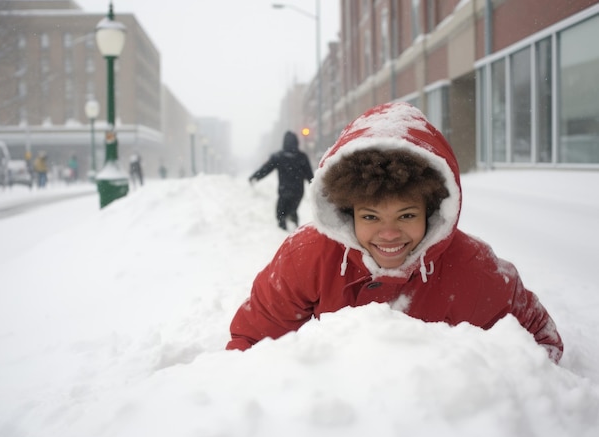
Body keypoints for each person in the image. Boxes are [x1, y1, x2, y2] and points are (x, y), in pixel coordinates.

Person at [226, 102, 563, 363]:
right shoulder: (309, 256)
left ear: (430, 211)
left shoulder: (472, 269)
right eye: (370, 216)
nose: (388, 234)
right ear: (348, 212)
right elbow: (250, 345)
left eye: (406, 214)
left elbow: (541, 345)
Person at [249, 130, 314, 230]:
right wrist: (317, 188)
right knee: (292, 211)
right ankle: (294, 230)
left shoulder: (279, 157)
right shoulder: (302, 157)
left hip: (284, 191)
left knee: (281, 214)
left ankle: (283, 232)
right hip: (298, 192)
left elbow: (266, 169)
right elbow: (310, 176)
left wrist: (255, 177)